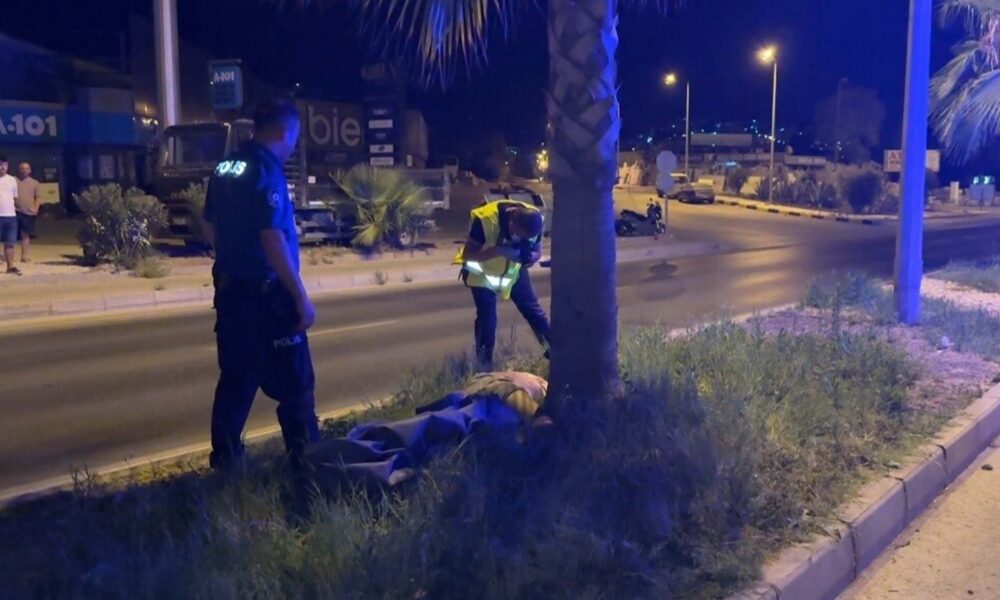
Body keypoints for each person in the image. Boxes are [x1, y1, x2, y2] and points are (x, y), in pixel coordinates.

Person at [200, 98, 319, 471]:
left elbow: (208, 225)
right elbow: (272, 239)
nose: (293, 146)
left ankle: (226, 464)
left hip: (231, 292)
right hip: (268, 297)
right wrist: (300, 297)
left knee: (236, 379)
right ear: (284, 132)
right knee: (297, 386)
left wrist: (236, 253)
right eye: (294, 138)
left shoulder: (226, 166)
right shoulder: (268, 170)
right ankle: (308, 466)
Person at [454, 198, 551, 370]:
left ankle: (555, 354)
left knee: (535, 312)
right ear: (511, 222)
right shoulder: (485, 220)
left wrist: (527, 258)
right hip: (483, 276)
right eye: (519, 235)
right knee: (487, 320)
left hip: (513, 273)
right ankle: (484, 367)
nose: (520, 239)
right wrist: (498, 251)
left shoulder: (535, 219)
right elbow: (468, 255)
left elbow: (537, 251)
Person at [15, 162, 41, 263]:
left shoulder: (35, 183)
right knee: (10, 235)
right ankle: (9, 256)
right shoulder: (13, 181)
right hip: (14, 211)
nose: (24, 170)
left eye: (26, 169)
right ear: (19, 170)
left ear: (30, 170)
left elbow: (38, 197)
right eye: (22, 168)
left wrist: (36, 209)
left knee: (25, 235)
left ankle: (24, 256)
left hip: (28, 213)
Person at [0, 156, 20, 275]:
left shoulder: (12, 180)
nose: (2, 167)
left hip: (10, 216)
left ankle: (10, 267)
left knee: (10, 243)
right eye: (0, 164)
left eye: (5, 165)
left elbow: (15, 197)